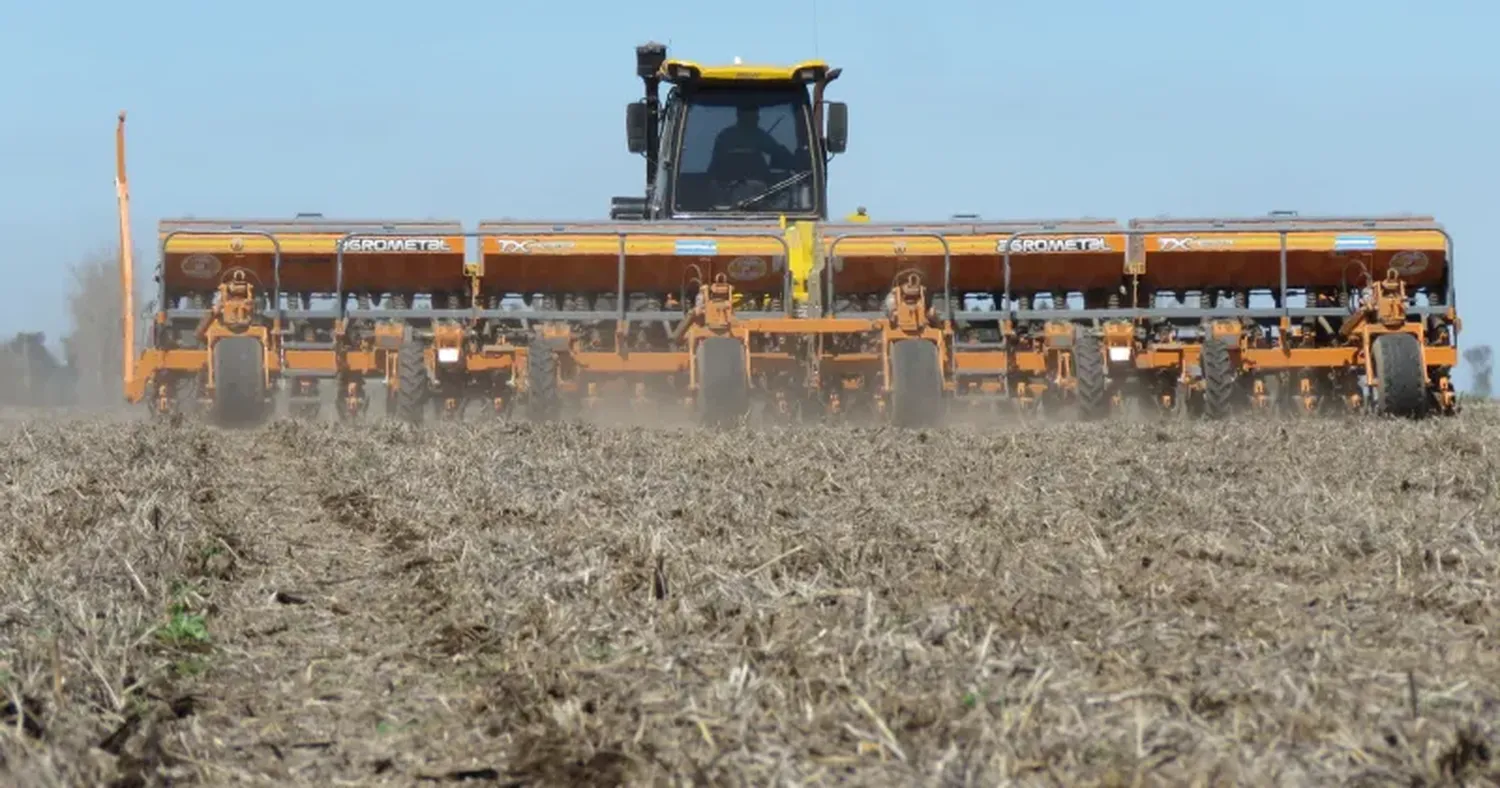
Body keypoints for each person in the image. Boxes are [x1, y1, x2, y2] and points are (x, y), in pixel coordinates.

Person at [708, 104, 799, 183]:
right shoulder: (726, 137)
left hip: (759, 191)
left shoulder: (759, 136)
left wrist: (797, 164)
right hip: (727, 193)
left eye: (756, 115)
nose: (757, 118)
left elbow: (779, 153)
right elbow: (714, 169)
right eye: (752, 115)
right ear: (740, 115)